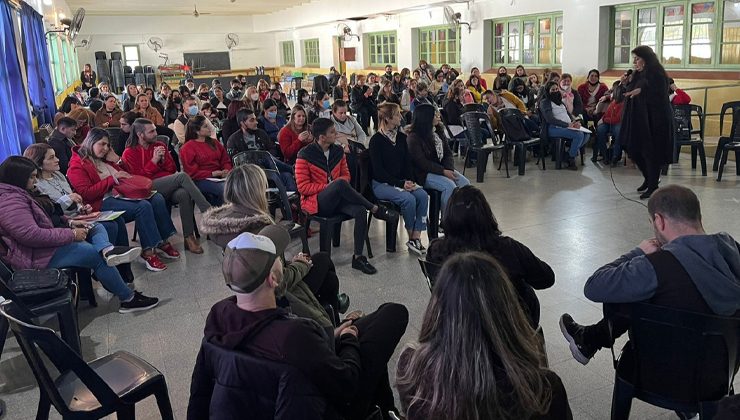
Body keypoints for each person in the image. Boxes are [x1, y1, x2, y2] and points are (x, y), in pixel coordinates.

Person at [188, 225, 408, 419]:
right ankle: (384, 409)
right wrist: (350, 341)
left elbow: (199, 395)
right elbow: (347, 382)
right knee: (394, 314)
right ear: (273, 279)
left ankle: (386, 409)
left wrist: (328, 338)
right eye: (279, 259)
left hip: (277, 397)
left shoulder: (217, 319)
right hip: (332, 405)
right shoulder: (294, 333)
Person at [560, 186, 740, 385]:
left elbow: (594, 286)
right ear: (698, 216)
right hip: (722, 368)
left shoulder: (658, 265)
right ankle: (590, 338)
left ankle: (590, 339)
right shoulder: (732, 248)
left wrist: (638, 252)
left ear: (659, 221)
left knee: (640, 292)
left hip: (665, 371)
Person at [396, 252, 572, 420]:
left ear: (438, 308)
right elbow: (546, 276)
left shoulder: (411, 370)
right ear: (508, 309)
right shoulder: (544, 390)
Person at [0, 156, 159, 313]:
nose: (35, 181)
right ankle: (128, 298)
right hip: (35, 255)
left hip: (45, 245)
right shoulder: (10, 201)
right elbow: (31, 235)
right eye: (32, 177)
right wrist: (71, 234)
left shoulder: (19, 193)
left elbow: (47, 217)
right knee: (94, 255)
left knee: (94, 227)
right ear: (18, 177)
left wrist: (70, 222)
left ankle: (107, 249)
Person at [199, 164, 347, 326]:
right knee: (324, 263)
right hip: (277, 298)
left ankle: (333, 311)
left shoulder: (224, 224)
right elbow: (278, 283)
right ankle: (333, 320)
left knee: (326, 270)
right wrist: (300, 264)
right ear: (256, 192)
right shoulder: (258, 228)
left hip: (247, 294)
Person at [426, 185, 554, 327]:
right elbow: (546, 278)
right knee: (524, 289)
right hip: (509, 329)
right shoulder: (509, 249)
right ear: (486, 215)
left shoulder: (436, 251)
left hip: (457, 324)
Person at [66, 128, 180, 272]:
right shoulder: (77, 165)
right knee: (142, 206)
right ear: (91, 142)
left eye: (107, 145)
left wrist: (119, 160)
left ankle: (162, 241)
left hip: (121, 194)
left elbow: (129, 174)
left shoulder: (104, 159)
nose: (105, 148)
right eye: (102, 144)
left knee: (156, 197)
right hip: (100, 202)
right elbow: (86, 193)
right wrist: (112, 179)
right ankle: (148, 252)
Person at [295, 118, 397, 275]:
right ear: (322, 137)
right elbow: (303, 187)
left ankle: (358, 257)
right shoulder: (305, 155)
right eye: (332, 132)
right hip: (316, 201)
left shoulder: (337, 151)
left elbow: (346, 175)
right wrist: (329, 187)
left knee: (360, 211)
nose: (336, 134)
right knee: (340, 185)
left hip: (338, 197)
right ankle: (376, 208)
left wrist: (336, 187)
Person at [24, 143, 137, 283]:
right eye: (51, 158)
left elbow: (74, 198)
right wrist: (69, 200)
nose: (57, 160)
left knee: (118, 221)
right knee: (109, 226)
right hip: (64, 222)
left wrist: (81, 207)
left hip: (78, 215)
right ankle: (106, 262)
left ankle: (123, 269)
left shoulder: (58, 175)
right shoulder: (36, 185)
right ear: (39, 163)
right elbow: (50, 210)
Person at [122, 119, 211, 254]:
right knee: (182, 176)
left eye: (155, 130)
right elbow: (137, 178)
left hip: (164, 184)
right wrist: (154, 161)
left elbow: (172, 169)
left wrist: (163, 160)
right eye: (151, 131)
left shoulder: (159, 145)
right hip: (145, 188)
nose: (156, 133)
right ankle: (208, 210)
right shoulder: (130, 152)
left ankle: (189, 237)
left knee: (183, 194)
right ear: (140, 134)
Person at [370, 103, 428, 255]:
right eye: (397, 115)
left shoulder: (401, 137)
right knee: (408, 199)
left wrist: (409, 181)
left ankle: (417, 235)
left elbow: (407, 163)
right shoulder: (376, 140)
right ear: (388, 119)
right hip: (382, 184)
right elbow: (378, 172)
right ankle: (410, 236)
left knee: (422, 195)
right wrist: (401, 183)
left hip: (401, 181)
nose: (401, 117)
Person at [616, 45, 674, 199]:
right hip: (636, 118)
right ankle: (648, 177)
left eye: (638, 58)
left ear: (646, 59)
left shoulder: (657, 73)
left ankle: (653, 184)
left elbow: (658, 92)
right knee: (633, 149)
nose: (634, 61)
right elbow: (623, 95)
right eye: (634, 58)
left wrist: (642, 90)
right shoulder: (635, 74)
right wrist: (624, 83)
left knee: (651, 152)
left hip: (653, 120)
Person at [407, 103, 470, 212]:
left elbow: (448, 153)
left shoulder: (438, 131)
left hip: (442, 169)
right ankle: (445, 221)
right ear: (426, 118)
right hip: (423, 174)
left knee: (465, 184)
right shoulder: (414, 137)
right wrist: (443, 172)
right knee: (449, 186)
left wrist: (449, 169)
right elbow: (422, 163)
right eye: (435, 115)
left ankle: (461, 217)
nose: (438, 116)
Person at [180, 115, 233, 206]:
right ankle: (222, 215)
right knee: (225, 189)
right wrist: (213, 174)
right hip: (201, 179)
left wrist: (226, 170)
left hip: (220, 175)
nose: (209, 128)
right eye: (205, 126)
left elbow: (225, 159)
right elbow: (191, 173)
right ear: (197, 131)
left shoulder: (214, 142)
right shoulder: (187, 148)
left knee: (240, 184)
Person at [540, 81, 589, 170]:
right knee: (578, 135)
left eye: (556, 89)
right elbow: (550, 119)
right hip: (553, 128)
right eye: (552, 90)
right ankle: (571, 158)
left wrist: (574, 122)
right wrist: (567, 124)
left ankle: (567, 155)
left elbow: (568, 114)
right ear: (548, 91)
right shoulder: (545, 102)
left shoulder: (560, 101)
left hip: (567, 126)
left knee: (587, 134)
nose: (555, 91)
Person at [594, 81, 625, 165]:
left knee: (619, 132)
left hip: (617, 124)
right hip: (608, 122)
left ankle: (615, 156)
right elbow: (606, 114)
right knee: (600, 130)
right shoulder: (613, 103)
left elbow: (617, 119)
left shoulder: (624, 104)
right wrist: (603, 119)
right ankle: (604, 155)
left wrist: (604, 120)